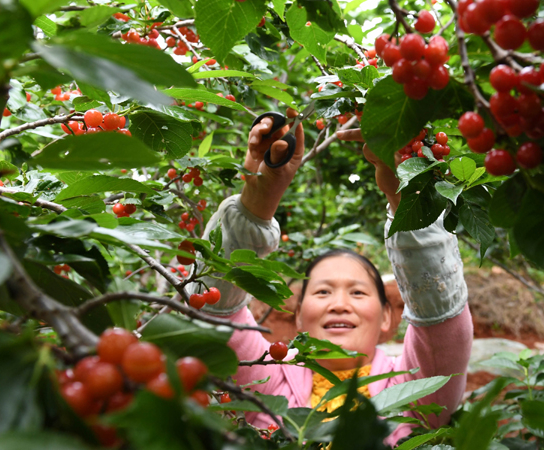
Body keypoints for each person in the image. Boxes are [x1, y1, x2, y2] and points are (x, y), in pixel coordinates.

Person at [186, 110, 473, 446]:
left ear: (386, 317)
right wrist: (257, 202)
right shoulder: (265, 378)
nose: (339, 304)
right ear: (297, 316)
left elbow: (443, 319)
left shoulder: (414, 390)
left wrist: (405, 195)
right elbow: (209, 317)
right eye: (322, 292)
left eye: (358, 293)